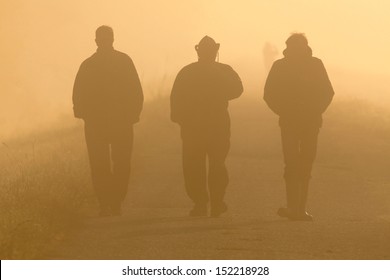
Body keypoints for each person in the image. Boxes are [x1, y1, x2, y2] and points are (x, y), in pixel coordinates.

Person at [73, 25, 143, 216]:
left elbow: (78, 95)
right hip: (121, 123)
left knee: (99, 163)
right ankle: (115, 202)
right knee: (121, 163)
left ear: (97, 40)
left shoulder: (88, 65)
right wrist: (133, 114)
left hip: (97, 124)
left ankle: (106, 203)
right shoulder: (123, 61)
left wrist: (83, 113)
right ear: (112, 39)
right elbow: (136, 91)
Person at [264, 33, 334, 221]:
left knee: (300, 164)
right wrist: (288, 111)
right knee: (298, 164)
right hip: (298, 122)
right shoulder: (286, 66)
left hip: (302, 122)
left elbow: (328, 92)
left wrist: (308, 111)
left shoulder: (312, 65)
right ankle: (296, 208)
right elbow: (269, 94)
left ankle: (297, 208)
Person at [170, 36, 243, 217]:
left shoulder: (187, 72)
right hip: (216, 125)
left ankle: (202, 203)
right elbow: (237, 89)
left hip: (194, 127)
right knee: (216, 164)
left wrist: (180, 119)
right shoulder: (223, 70)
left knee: (195, 165)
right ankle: (215, 203)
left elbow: (175, 100)